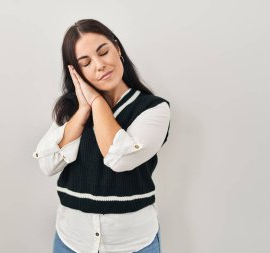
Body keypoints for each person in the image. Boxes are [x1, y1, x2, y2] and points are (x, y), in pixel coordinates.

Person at [33, 19, 171, 253]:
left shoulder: (153, 109)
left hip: (133, 245)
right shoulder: (70, 109)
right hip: (71, 242)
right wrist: (83, 111)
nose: (99, 65)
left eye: (104, 52)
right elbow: (47, 164)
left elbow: (119, 159)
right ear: (76, 72)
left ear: (117, 49)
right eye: (86, 63)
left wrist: (96, 102)